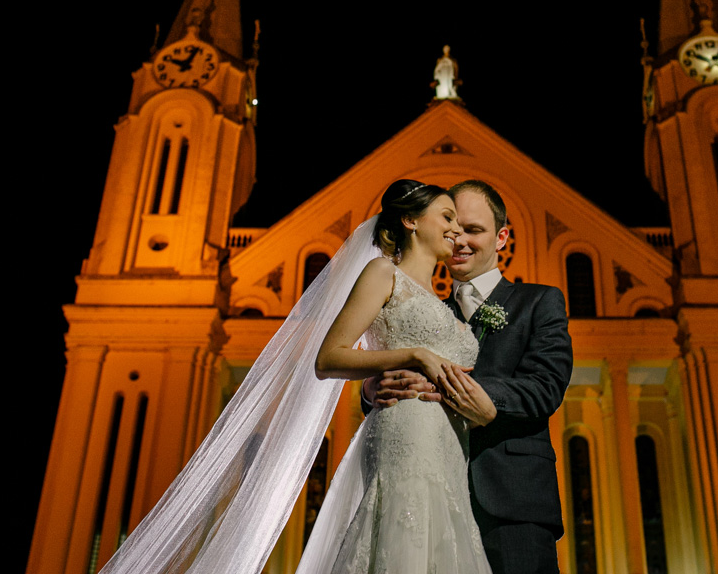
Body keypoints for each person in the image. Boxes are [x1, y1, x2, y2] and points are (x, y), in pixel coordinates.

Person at [100, 180, 494, 574]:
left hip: (447, 449)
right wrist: (411, 356)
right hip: (406, 436)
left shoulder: (445, 305)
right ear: (410, 220)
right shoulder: (381, 273)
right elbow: (328, 357)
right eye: (447, 217)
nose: (457, 229)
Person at [367, 180, 573, 574]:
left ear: (502, 237)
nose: (460, 240)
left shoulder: (540, 301)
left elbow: (546, 386)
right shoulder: (423, 307)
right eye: (453, 229)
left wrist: (478, 396)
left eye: (474, 230)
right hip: (431, 496)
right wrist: (373, 388)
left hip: (511, 501)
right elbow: (391, 366)